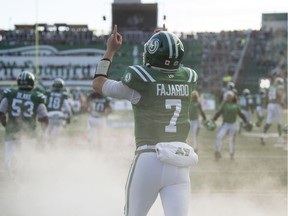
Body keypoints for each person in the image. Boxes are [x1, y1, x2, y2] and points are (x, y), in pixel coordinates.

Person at [92, 25, 199, 216]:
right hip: (180, 162)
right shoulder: (188, 77)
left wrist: (110, 50)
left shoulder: (140, 79)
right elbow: (170, 69)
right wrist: (166, 40)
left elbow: (98, 84)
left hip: (149, 158)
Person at [0, 71, 48, 177]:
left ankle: (16, 173)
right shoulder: (37, 96)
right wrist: (43, 132)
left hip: (11, 132)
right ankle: (23, 175)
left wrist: (6, 125)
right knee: (27, 158)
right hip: (29, 133)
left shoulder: (10, 94)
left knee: (10, 160)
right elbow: (44, 118)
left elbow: (1, 113)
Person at [210, 91, 249, 160]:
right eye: (227, 96)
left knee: (231, 140)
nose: (227, 97)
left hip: (233, 125)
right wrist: (213, 120)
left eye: (229, 96)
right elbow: (218, 113)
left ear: (233, 97)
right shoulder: (224, 105)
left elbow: (241, 114)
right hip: (225, 124)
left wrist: (246, 121)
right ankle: (218, 152)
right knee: (218, 136)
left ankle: (231, 153)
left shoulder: (236, 105)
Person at [45, 78, 72, 145]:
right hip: (59, 116)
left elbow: (43, 105)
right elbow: (68, 109)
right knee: (55, 135)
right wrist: (69, 119)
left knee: (47, 133)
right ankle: (53, 147)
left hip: (49, 115)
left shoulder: (48, 93)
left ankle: (46, 147)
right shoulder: (63, 95)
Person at [261, 76, 285, 145]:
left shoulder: (271, 87)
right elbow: (279, 94)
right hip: (276, 105)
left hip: (270, 105)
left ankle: (263, 135)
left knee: (269, 121)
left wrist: (265, 105)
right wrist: (282, 103)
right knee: (279, 122)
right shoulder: (279, 87)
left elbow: (267, 97)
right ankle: (280, 138)